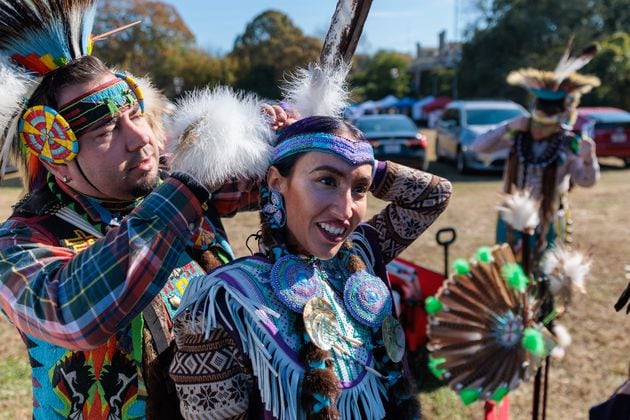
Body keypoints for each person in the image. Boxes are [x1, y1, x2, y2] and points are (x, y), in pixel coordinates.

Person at [0, 2, 285, 418]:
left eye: (135, 115)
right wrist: (189, 185)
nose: (140, 139)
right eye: (107, 130)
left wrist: (286, 142)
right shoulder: (20, 242)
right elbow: (71, 315)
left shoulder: (176, 186)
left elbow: (274, 187)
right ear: (57, 154)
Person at [169, 115, 452, 419]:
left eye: (360, 189)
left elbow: (433, 195)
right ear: (277, 182)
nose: (345, 210)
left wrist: (358, 155)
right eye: (327, 181)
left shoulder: (363, 254)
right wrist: (302, 145)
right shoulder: (225, 302)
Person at [471, 42, 601, 259]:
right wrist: (507, 126)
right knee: (510, 276)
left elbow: (587, 181)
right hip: (512, 218)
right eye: (536, 123)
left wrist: (589, 157)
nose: (538, 131)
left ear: (561, 121)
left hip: (548, 219)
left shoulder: (569, 144)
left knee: (545, 280)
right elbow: (478, 147)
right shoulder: (517, 137)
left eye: (546, 125)